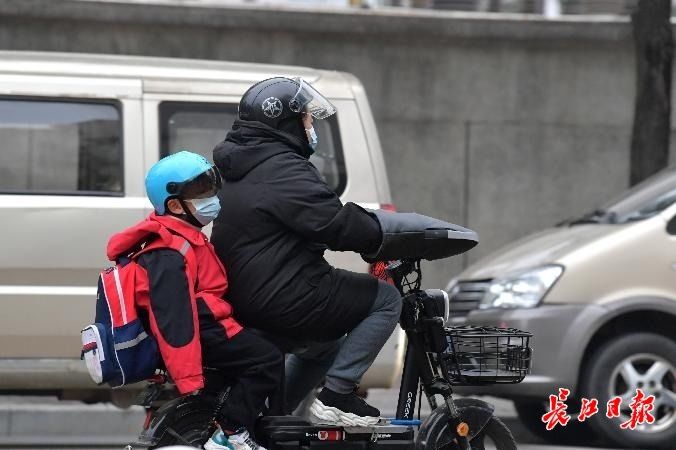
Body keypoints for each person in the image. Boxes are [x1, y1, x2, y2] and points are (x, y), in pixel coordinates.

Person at [210, 77, 402, 426]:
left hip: (244, 292)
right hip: (280, 296)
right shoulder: (282, 167)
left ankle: (276, 417)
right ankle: (338, 396)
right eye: (307, 119)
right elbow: (333, 222)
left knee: (323, 346)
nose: (311, 127)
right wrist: (379, 235)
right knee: (386, 300)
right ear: (284, 122)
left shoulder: (243, 164)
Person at [105, 151, 283, 450]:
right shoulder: (168, 251)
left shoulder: (184, 236)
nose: (211, 197)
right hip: (205, 328)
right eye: (201, 193)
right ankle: (231, 432)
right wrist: (188, 379)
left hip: (209, 323)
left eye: (211, 188)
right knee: (266, 361)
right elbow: (175, 321)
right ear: (174, 205)